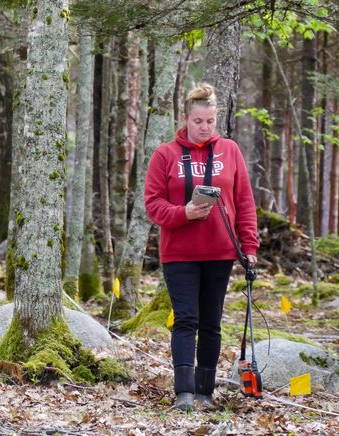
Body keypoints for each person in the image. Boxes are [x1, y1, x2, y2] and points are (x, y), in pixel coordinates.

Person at [144, 83, 259, 412]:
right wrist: (184, 213)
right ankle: (184, 393)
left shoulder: (230, 151)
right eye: (198, 121)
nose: (205, 127)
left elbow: (245, 203)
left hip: (220, 251)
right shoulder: (164, 154)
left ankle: (206, 392)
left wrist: (249, 246)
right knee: (185, 320)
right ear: (185, 119)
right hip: (179, 252)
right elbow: (152, 204)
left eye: (210, 121)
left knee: (211, 322)